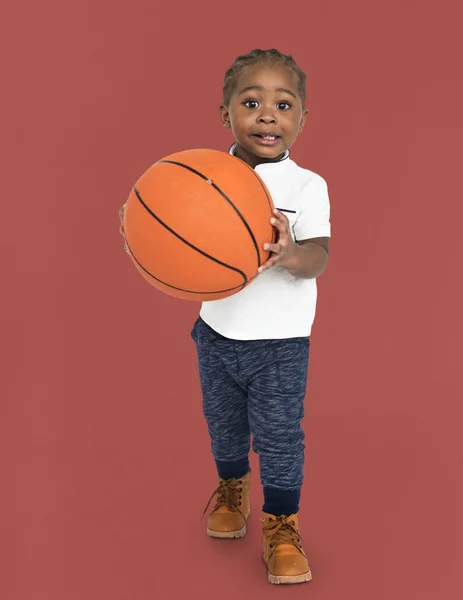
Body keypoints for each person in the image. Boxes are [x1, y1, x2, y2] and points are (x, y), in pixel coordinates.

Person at [120, 48, 331, 586]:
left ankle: (282, 526)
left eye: (284, 105)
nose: (268, 115)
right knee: (225, 428)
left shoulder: (307, 187)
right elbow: (168, 233)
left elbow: (319, 257)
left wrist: (289, 253)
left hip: (280, 343)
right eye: (252, 101)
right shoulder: (200, 175)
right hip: (215, 333)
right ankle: (232, 489)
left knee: (280, 436)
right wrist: (145, 224)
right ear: (225, 113)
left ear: (302, 119)